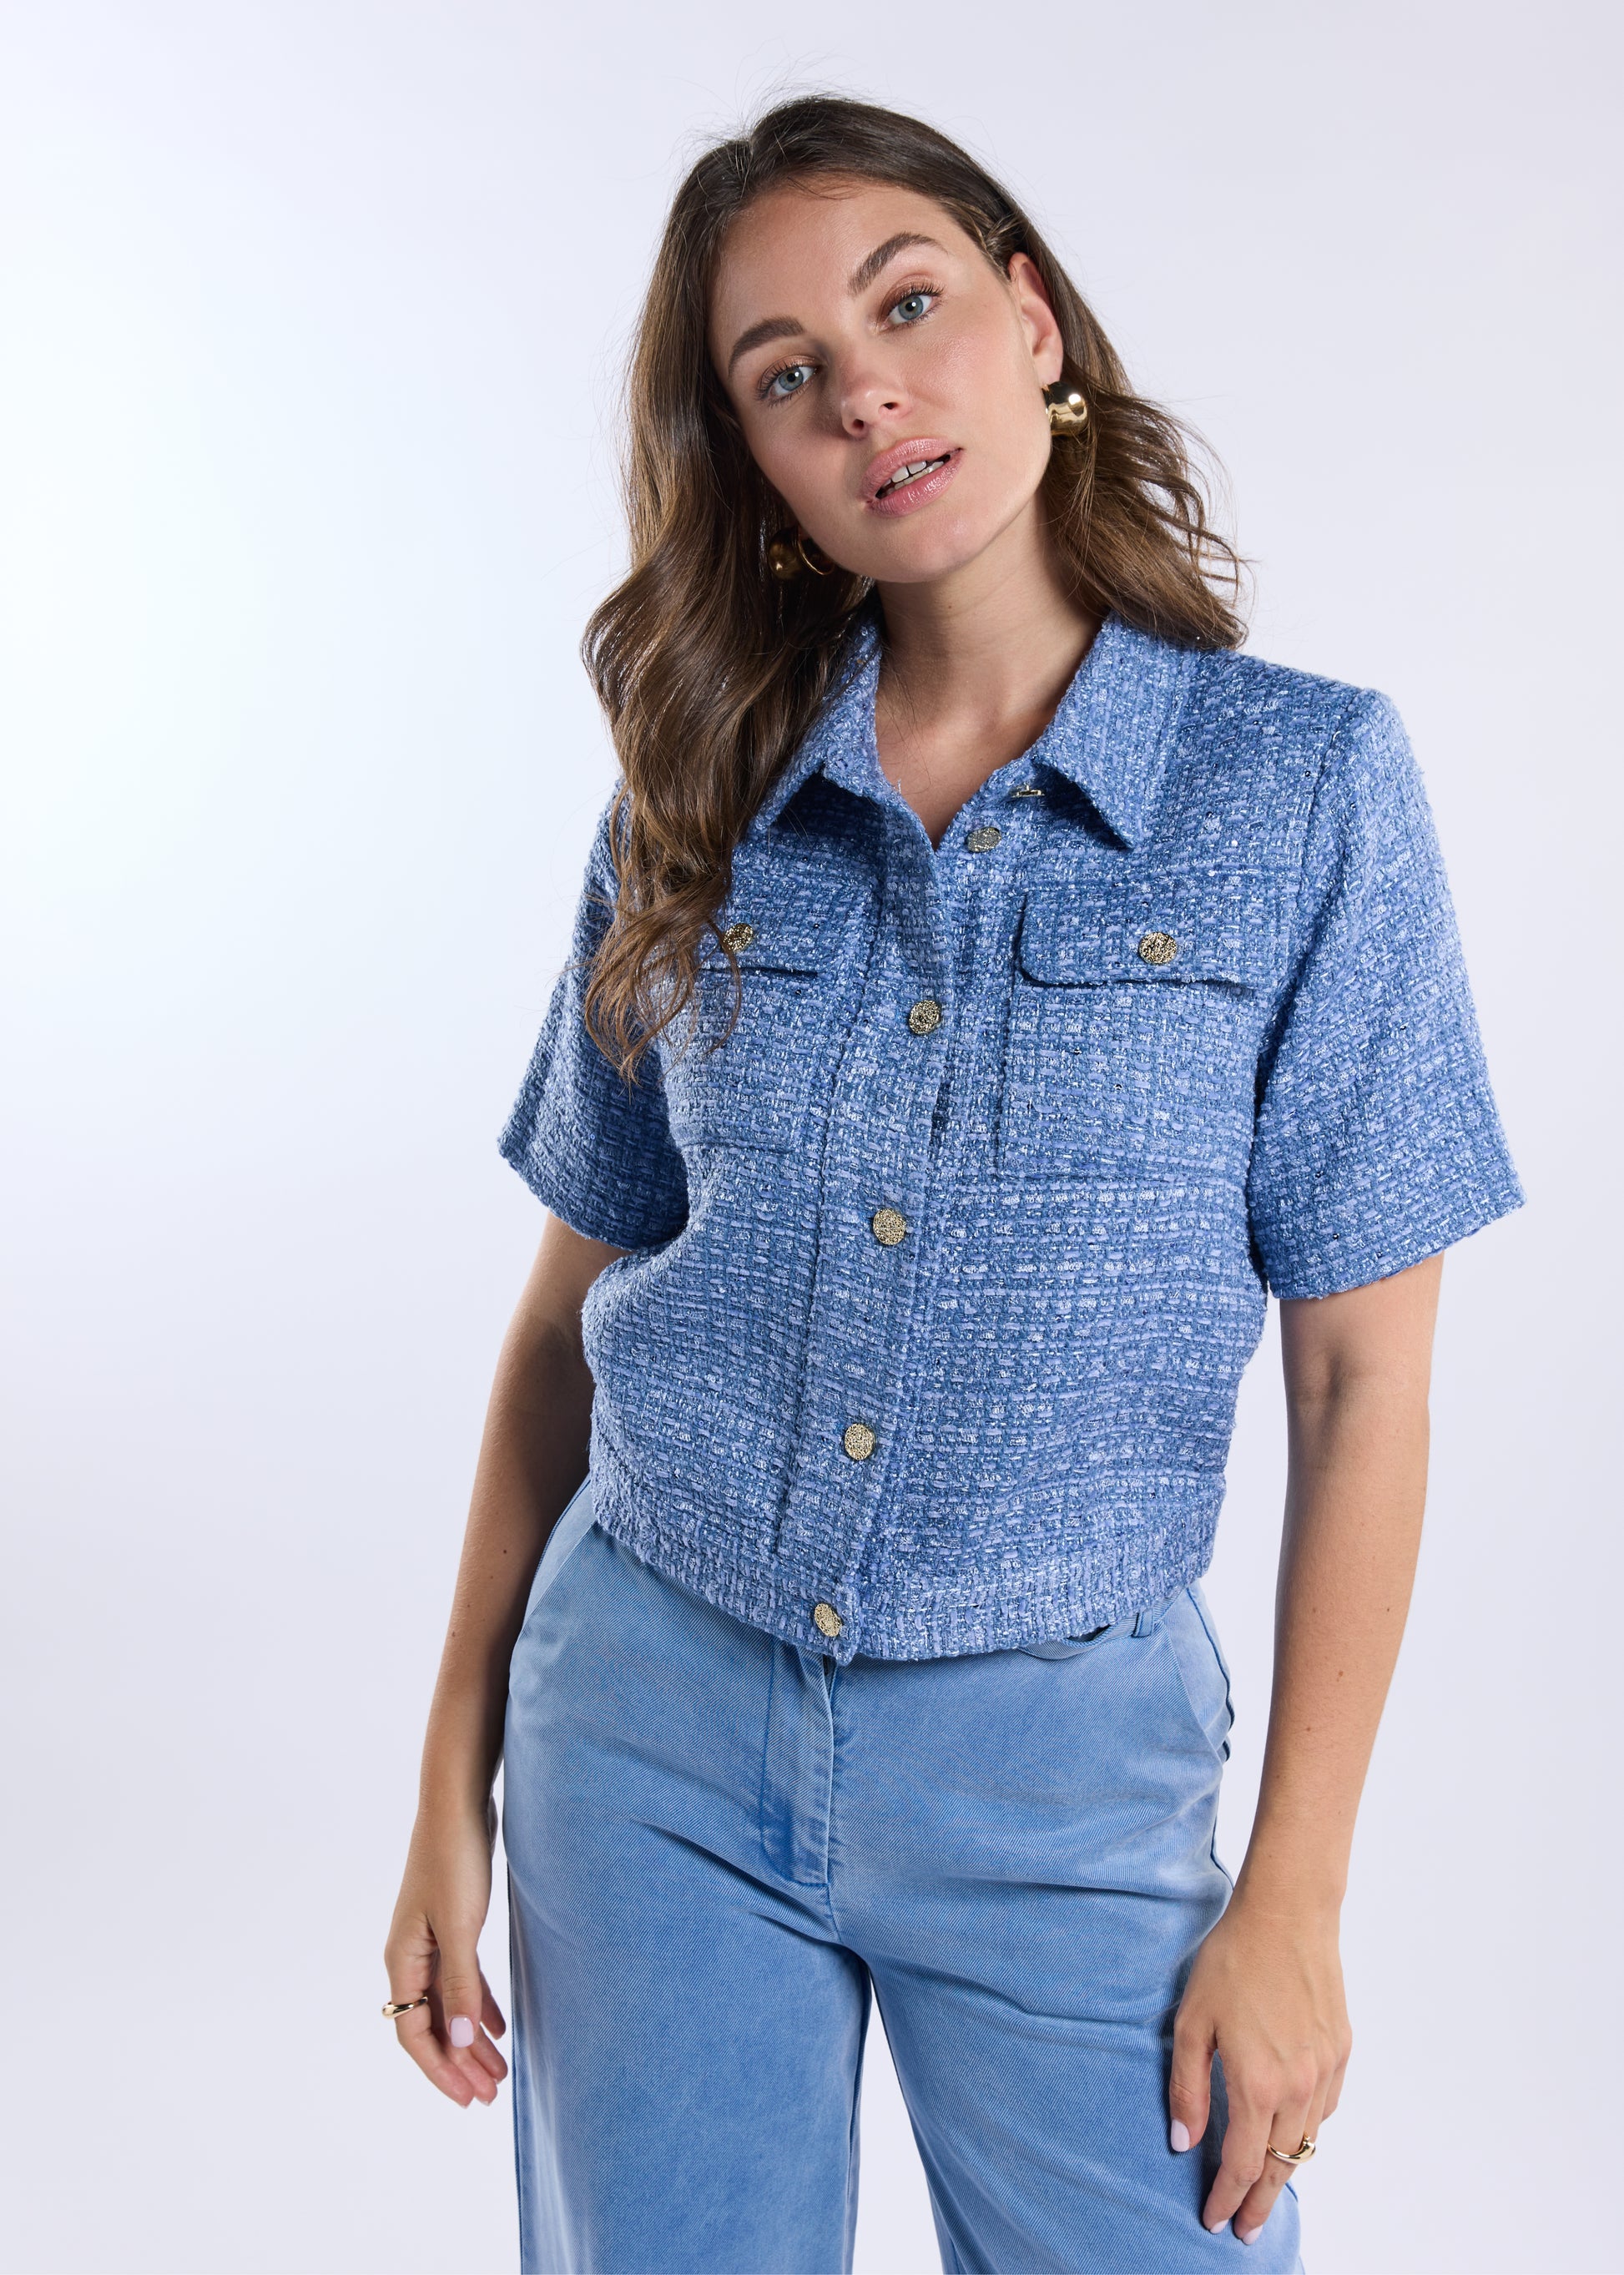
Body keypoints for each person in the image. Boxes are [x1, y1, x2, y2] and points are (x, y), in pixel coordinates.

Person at [383, 94, 1522, 2275]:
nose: (864, 394)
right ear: (754, 460)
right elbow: (560, 1321)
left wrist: (1294, 1901)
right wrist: (452, 1772)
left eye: (906, 307)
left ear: (1034, 323)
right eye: (784, 372)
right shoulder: (693, 793)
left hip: (1062, 1780)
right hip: (645, 1736)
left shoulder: (1302, 788)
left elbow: (1362, 1383)